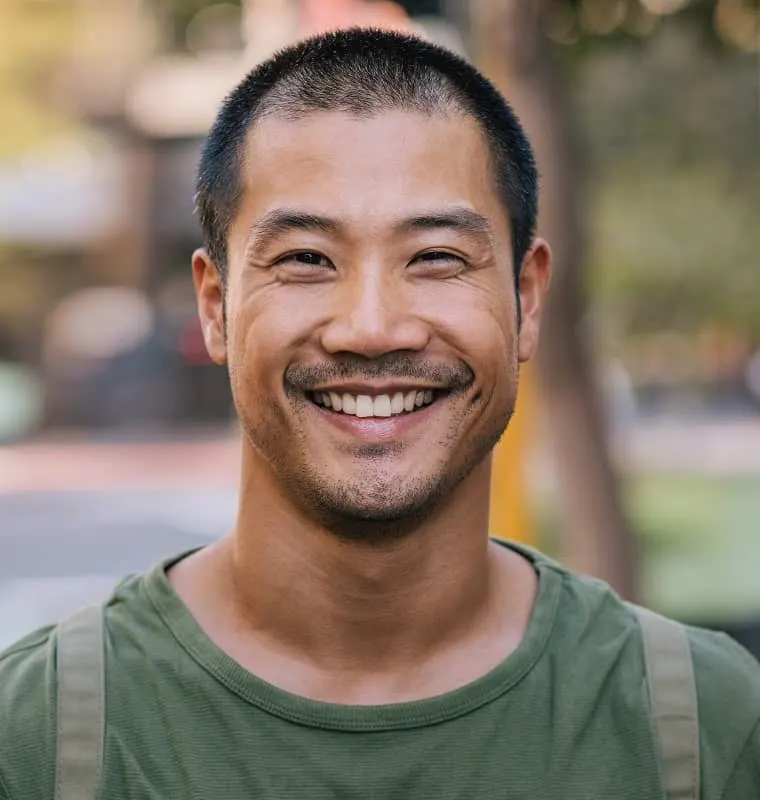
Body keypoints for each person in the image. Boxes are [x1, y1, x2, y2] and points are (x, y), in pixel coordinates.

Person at [1, 28, 758, 800]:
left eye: (435, 258)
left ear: (526, 299)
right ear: (216, 306)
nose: (370, 326)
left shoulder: (704, 733)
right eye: (305, 259)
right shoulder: (37, 740)